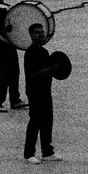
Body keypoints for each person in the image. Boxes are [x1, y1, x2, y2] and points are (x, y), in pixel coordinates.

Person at [23, 24, 59, 162]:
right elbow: (33, 74)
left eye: (42, 32)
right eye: (37, 33)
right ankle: (29, 153)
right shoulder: (30, 53)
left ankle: (47, 152)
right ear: (31, 35)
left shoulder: (44, 52)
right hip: (34, 92)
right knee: (35, 122)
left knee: (47, 121)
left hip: (45, 91)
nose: (41, 35)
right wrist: (51, 68)